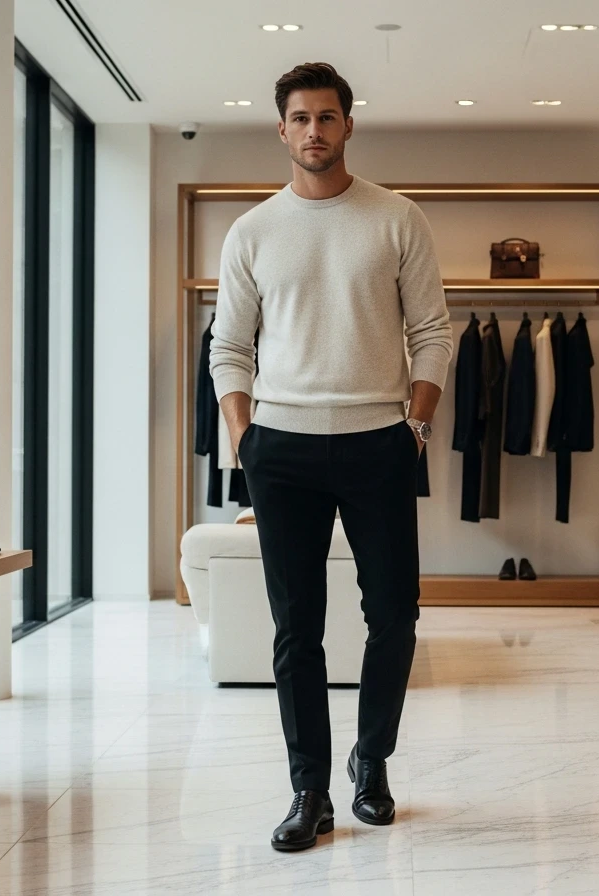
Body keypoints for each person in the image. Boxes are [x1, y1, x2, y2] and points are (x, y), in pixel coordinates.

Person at [209, 62, 453, 852]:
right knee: (295, 629)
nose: (314, 130)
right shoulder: (251, 231)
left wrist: (414, 427)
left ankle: (371, 762)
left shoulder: (397, 218)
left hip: (379, 441)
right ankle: (309, 788)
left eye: (328, 116)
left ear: (349, 125)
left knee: (393, 615)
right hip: (281, 449)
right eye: (300, 118)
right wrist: (245, 438)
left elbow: (432, 334)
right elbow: (229, 347)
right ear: (281, 130)